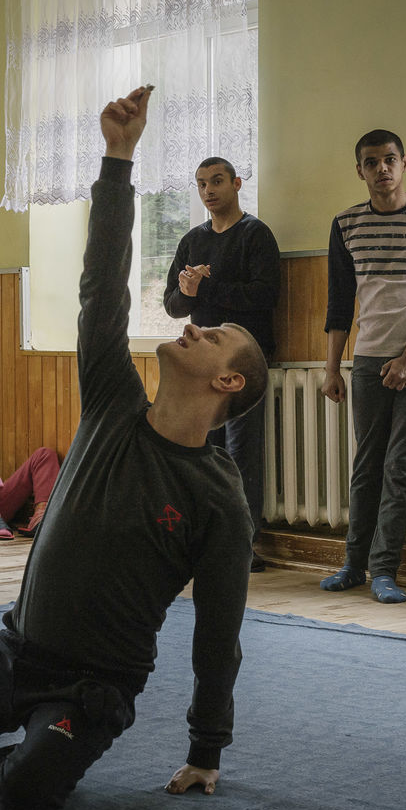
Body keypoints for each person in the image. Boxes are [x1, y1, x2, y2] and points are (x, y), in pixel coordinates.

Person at [0, 84, 269, 810]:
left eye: (212, 336)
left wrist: (207, 748)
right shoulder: (113, 401)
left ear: (228, 382)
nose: (192, 328)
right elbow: (101, 289)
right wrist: (118, 159)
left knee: (26, 799)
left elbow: (219, 636)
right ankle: (5, 737)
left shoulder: (219, 498)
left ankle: (11, 760)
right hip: (13, 655)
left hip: (89, 690)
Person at [319, 129, 406, 605]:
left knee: (401, 466)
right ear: (359, 169)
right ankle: (353, 565)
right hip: (367, 358)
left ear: (404, 163)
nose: (382, 169)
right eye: (371, 162)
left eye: (390, 159)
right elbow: (339, 303)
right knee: (367, 465)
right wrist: (332, 368)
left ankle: (384, 571)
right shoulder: (346, 223)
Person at [163, 156, 281, 571]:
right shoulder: (192, 241)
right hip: (201, 366)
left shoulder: (255, 234)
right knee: (203, 454)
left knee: (242, 456)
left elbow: (264, 295)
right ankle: (204, 542)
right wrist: (188, 291)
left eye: (216, 181)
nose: (208, 191)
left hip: (244, 362)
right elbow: (173, 306)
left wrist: (207, 286)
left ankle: (242, 545)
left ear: (236, 183)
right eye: (201, 184)